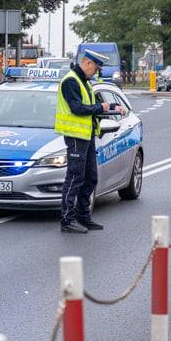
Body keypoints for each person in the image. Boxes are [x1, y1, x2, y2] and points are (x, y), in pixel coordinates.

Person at [55, 49, 126, 234]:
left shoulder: (84, 81)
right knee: (74, 178)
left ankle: (83, 217)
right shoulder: (71, 81)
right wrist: (99, 106)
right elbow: (77, 108)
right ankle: (67, 220)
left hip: (86, 135)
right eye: (95, 68)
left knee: (90, 178)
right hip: (76, 137)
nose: (96, 72)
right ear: (87, 63)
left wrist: (111, 107)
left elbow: (93, 105)